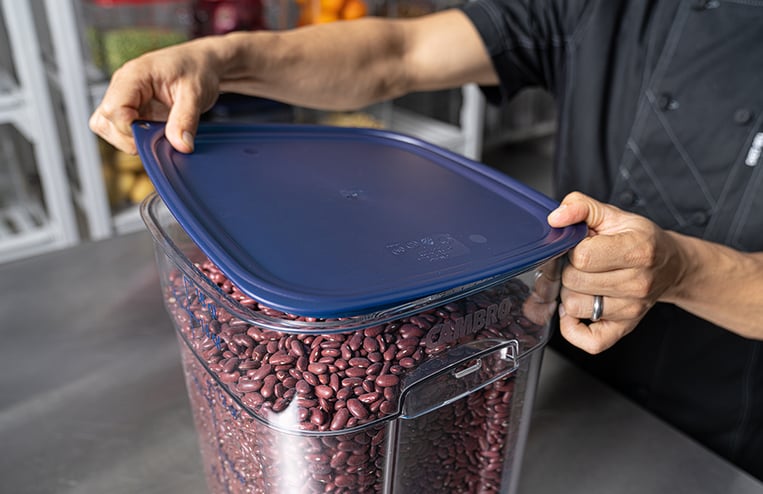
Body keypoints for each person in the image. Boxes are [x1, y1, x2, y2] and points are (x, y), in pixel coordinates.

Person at [89, 0, 763, 480]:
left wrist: (681, 270)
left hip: (728, 430)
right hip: (557, 364)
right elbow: (398, 52)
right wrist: (218, 59)